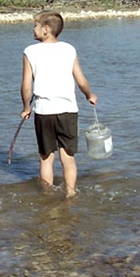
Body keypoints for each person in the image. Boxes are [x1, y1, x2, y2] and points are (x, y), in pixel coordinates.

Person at [20, 10, 97, 197]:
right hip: (68, 110)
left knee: (46, 158)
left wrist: (26, 107)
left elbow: (26, 86)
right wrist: (89, 95)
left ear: (46, 29)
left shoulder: (30, 51)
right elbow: (81, 80)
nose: (33, 28)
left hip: (44, 111)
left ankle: (47, 195)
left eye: (35, 25)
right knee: (68, 157)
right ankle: (70, 192)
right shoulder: (69, 49)